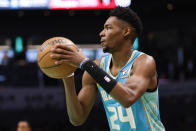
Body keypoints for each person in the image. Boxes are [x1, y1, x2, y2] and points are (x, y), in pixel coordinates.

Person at [51, 7, 165, 131]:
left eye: (108, 28)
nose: (101, 33)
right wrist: (67, 76)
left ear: (126, 31)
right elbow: (77, 119)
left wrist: (86, 64)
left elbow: (128, 98)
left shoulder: (144, 62)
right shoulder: (97, 67)